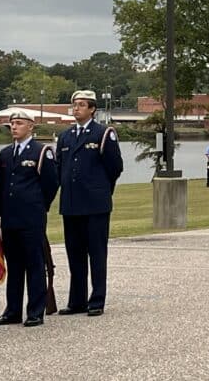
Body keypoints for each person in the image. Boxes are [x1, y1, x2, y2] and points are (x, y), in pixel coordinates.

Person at [56, 90, 124, 316]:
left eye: (82, 105)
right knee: (74, 254)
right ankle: (77, 301)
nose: (76, 108)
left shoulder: (103, 133)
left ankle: (97, 300)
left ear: (92, 109)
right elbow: (59, 168)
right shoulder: (65, 136)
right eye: (74, 104)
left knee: (96, 253)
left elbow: (115, 167)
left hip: (95, 204)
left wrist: (100, 189)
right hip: (71, 203)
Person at [0, 109, 59, 326]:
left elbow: (51, 184)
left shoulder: (42, 151)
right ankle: (12, 311)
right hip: (10, 218)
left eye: (19, 123)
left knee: (34, 264)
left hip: (31, 217)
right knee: (15, 265)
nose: (14, 127)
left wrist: (38, 205)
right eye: (12, 124)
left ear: (31, 126)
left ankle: (35, 311)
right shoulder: (6, 153)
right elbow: (1, 185)